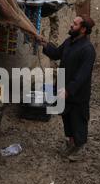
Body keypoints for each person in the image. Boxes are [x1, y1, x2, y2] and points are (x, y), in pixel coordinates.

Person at [38, 15, 96, 162]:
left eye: (75, 24)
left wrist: (69, 90)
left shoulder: (88, 49)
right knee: (67, 118)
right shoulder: (69, 42)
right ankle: (71, 143)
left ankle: (78, 147)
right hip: (63, 89)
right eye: (72, 22)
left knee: (78, 120)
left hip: (77, 94)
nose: (71, 25)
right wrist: (45, 44)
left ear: (83, 29)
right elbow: (57, 53)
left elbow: (83, 74)